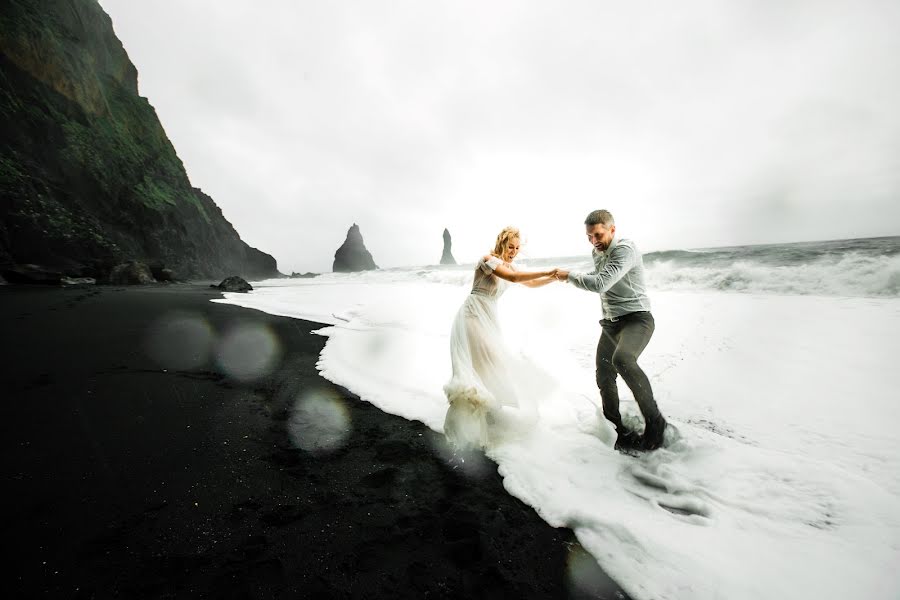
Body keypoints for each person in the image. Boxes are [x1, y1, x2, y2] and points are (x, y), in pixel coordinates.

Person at [555, 210, 668, 451]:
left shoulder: (624, 250)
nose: (594, 240)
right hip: (610, 324)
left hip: (637, 319)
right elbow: (599, 278)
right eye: (589, 236)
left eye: (598, 234)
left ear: (612, 230)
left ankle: (656, 423)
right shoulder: (597, 253)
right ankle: (616, 429)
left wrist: (569, 275)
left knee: (623, 359)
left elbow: (601, 283)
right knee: (604, 375)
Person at [443, 226, 557, 449]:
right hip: (473, 314)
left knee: (492, 362)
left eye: (517, 248)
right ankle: (474, 414)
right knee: (486, 360)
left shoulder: (509, 265)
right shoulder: (488, 260)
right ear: (501, 243)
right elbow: (513, 278)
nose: (513, 251)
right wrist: (547, 271)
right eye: (510, 246)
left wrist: (554, 277)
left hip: (489, 317)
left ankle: (488, 407)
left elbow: (530, 283)